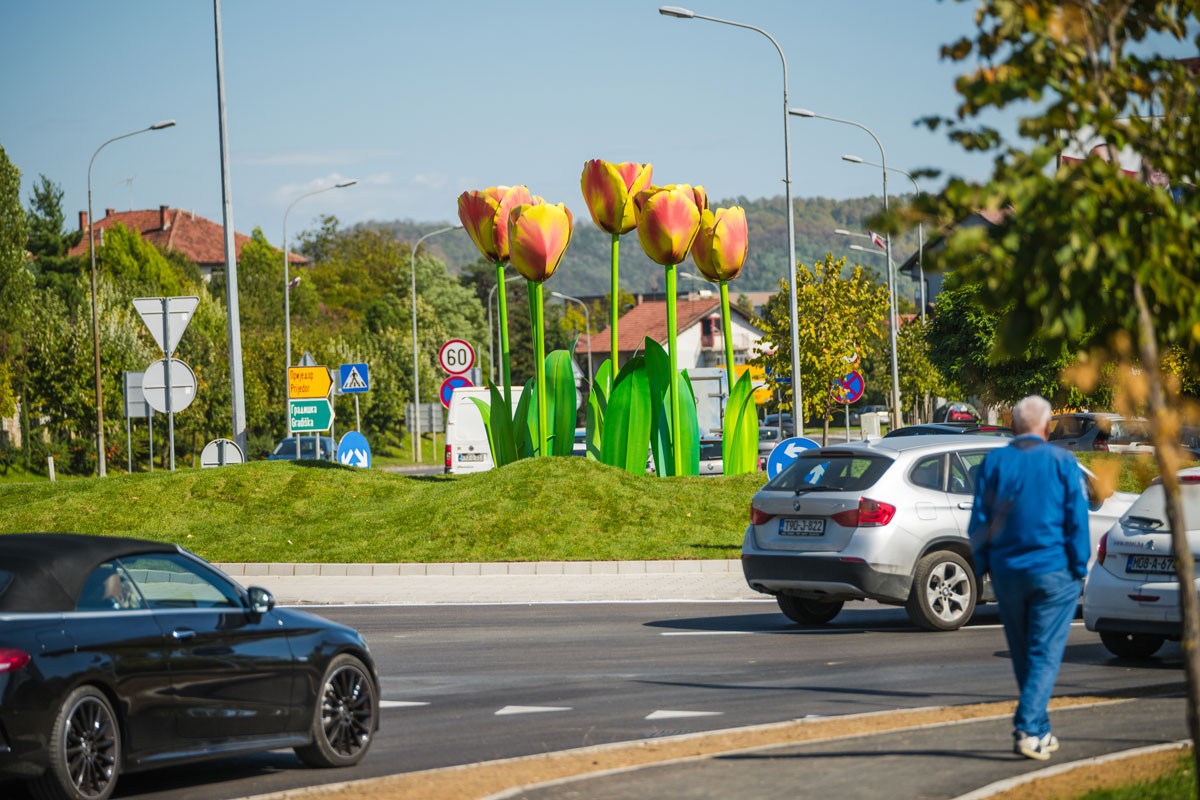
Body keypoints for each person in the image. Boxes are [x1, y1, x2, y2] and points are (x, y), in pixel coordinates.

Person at [967, 395, 1090, 761]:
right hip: (1054, 571)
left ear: (1013, 425)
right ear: (1047, 427)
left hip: (1007, 571)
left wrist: (982, 563)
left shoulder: (995, 462)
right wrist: (1079, 567)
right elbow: (1076, 520)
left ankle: (1040, 728)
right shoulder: (1062, 462)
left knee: (1024, 652)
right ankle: (1026, 726)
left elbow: (979, 519)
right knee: (1045, 653)